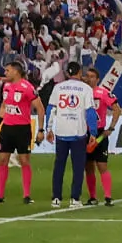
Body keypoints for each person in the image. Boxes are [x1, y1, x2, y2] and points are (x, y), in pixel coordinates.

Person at [0, 61, 38, 206]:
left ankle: (26, 195)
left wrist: (41, 129)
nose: (5, 73)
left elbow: (39, 107)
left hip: (22, 129)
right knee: (3, 160)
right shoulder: (6, 86)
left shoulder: (27, 87)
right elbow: (4, 106)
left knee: (24, 161)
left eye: (8, 70)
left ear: (16, 71)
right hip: (7, 129)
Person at [46, 69, 97, 209]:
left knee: (59, 166)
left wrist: (48, 129)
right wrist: (93, 132)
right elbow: (90, 111)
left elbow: (51, 109)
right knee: (78, 167)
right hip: (78, 133)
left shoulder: (58, 87)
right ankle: (75, 199)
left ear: (68, 74)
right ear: (79, 72)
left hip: (61, 132)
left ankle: (56, 198)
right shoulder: (85, 88)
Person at [84, 64, 118, 206]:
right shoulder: (82, 92)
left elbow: (117, 109)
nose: (89, 79)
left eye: (92, 77)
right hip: (84, 133)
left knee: (102, 165)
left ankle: (108, 196)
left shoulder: (103, 93)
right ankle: (92, 197)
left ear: (97, 79)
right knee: (88, 167)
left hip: (99, 133)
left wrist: (111, 127)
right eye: (87, 76)